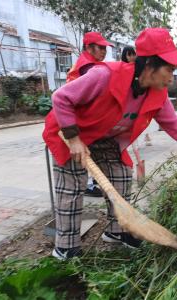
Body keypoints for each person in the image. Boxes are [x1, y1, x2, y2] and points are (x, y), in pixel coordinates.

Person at [43, 28, 177, 260]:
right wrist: (75, 138)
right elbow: (61, 97)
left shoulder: (157, 93)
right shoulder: (105, 76)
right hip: (70, 134)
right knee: (72, 188)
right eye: (168, 69)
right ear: (149, 66)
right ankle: (66, 247)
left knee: (121, 177)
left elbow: (174, 125)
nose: (171, 76)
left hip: (105, 139)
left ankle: (117, 232)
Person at [66, 32, 115, 197]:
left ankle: (90, 184)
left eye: (105, 48)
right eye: (100, 47)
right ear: (88, 47)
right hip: (75, 121)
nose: (104, 51)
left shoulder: (89, 63)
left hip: (77, 118)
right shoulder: (88, 66)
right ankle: (89, 185)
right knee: (82, 160)